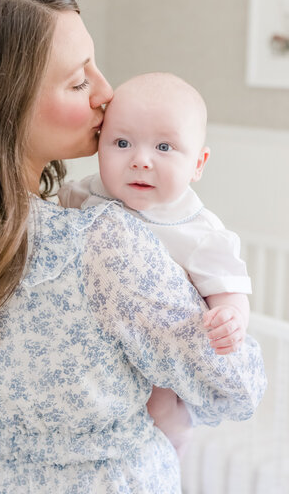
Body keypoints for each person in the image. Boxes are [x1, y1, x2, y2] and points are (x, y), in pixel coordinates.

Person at [0, 0, 266, 494]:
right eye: (78, 81)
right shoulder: (101, 242)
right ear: (3, 106)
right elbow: (237, 389)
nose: (106, 93)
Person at [58, 72, 252, 453]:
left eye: (164, 147)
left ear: (198, 163)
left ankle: (171, 448)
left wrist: (231, 317)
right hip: (93, 352)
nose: (141, 160)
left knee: (160, 410)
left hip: (155, 360)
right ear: (100, 146)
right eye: (122, 142)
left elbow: (229, 289)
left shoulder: (199, 231)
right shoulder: (84, 194)